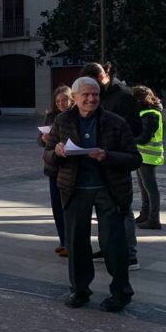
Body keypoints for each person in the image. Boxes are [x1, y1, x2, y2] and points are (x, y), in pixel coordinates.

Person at [43, 76, 141, 312]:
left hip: (109, 190)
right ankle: (79, 290)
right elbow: (47, 156)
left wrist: (108, 156)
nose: (91, 99)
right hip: (75, 190)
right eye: (85, 95)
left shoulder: (115, 122)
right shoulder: (62, 121)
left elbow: (134, 158)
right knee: (76, 244)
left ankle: (120, 293)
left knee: (113, 244)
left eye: (95, 94)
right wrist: (56, 153)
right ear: (74, 98)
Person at [80, 62, 140, 269]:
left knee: (123, 209)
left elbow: (134, 130)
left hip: (116, 160)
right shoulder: (102, 96)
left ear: (101, 77)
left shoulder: (123, 95)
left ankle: (130, 254)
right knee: (105, 211)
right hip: (98, 162)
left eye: (94, 89)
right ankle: (108, 248)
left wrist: (114, 144)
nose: (92, 97)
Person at [40, 86, 72, 257]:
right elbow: (41, 141)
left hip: (68, 167)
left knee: (67, 205)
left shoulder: (75, 116)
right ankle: (63, 241)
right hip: (52, 166)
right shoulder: (51, 116)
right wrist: (44, 138)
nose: (61, 104)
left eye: (64, 100)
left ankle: (70, 242)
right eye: (58, 101)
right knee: (56, 206)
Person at [133, 85, 164, 230]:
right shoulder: (145, 112)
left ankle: (153, 219)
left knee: (150, 188)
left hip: (148, 156)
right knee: (144, 187)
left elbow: (144, 137)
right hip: (142, 155)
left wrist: (129, 138)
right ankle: (144, 214)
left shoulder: (150, 114)